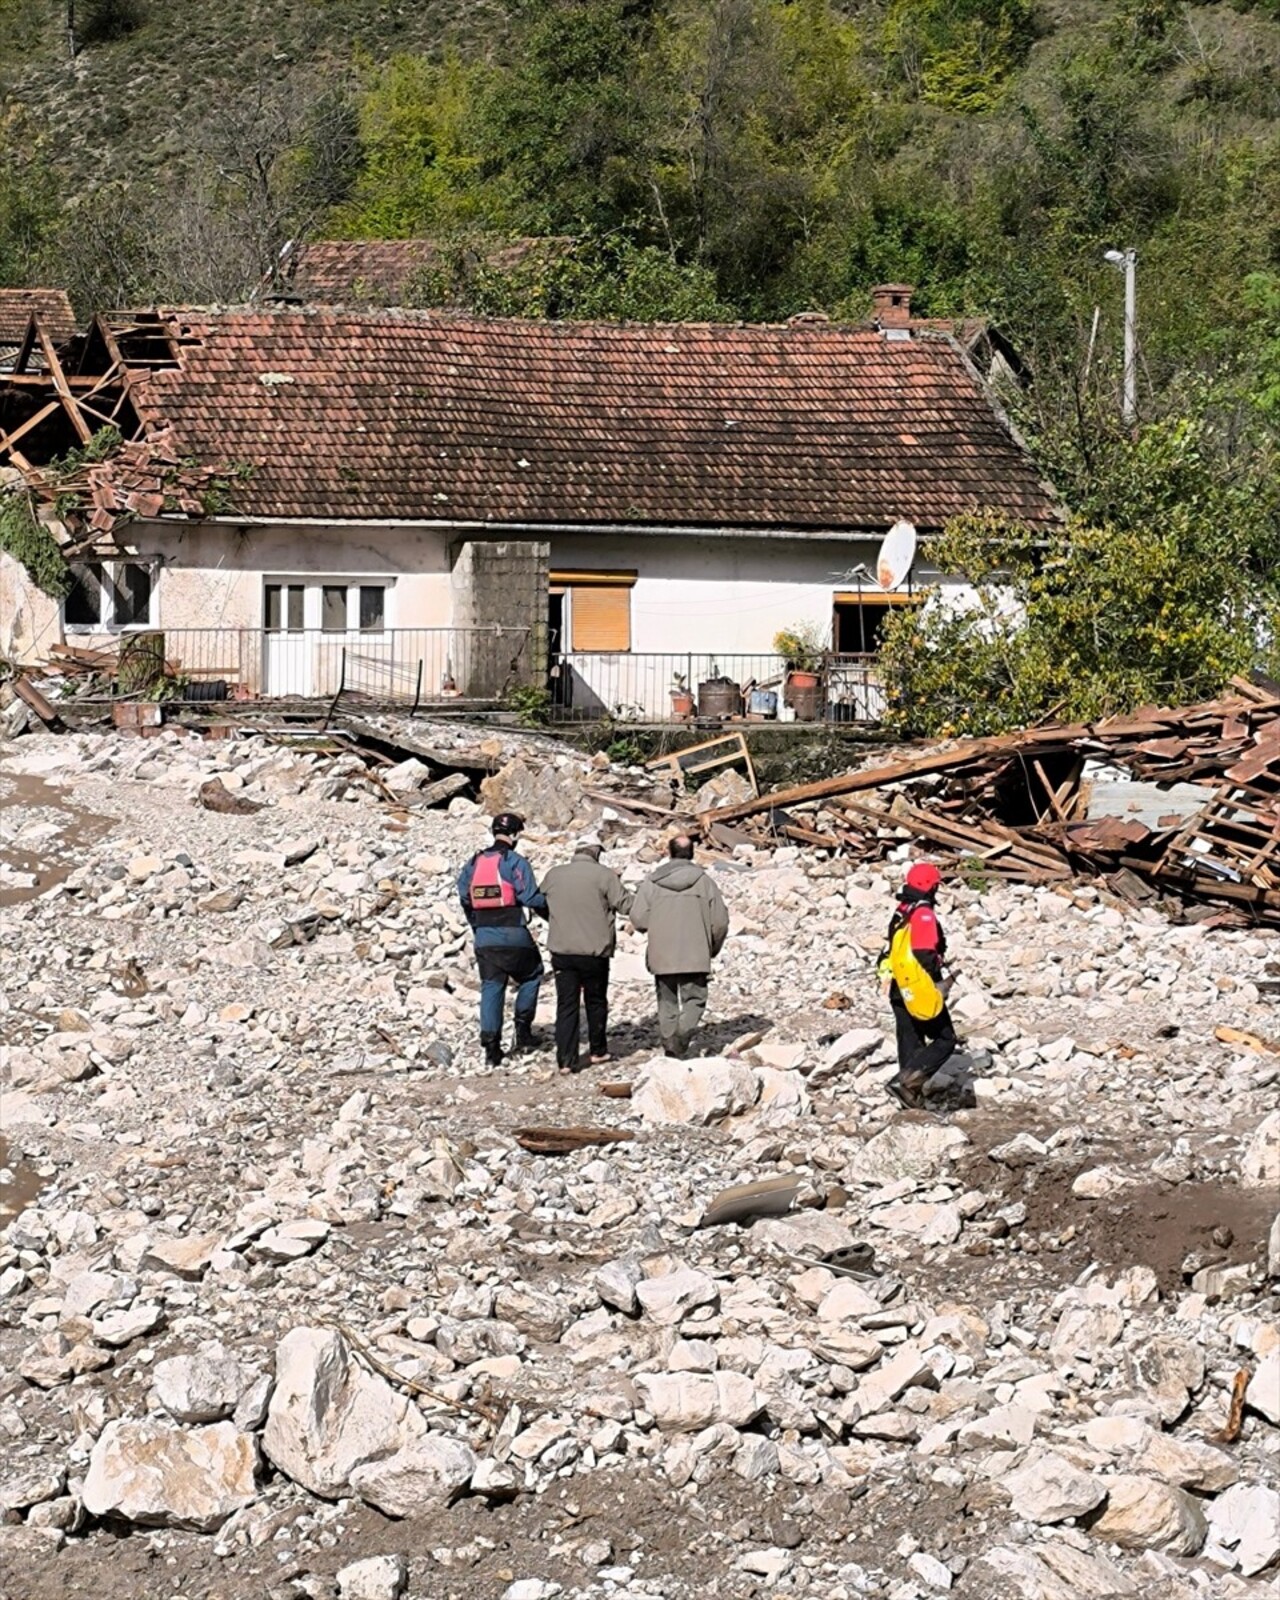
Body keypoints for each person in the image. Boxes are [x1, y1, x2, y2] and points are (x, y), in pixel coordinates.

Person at [457, 812, 547, 1066]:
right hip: (514, 932)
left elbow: (464, 896)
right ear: (516, 834)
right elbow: (530, 898)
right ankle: (523, 1031)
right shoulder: (516, 862)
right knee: (532, 974)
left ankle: (491, 1048)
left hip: (484, 936)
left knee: (492, 986)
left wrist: (476, 924)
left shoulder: (473, 862)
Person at [630, 834, 729, 1059]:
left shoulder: (652, 882)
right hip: (695, 953)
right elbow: (720, 921)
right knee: (694, 999)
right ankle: (682, 1037)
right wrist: (711, 947)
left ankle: (669, 1043)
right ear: (692, 853)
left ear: (669, 852)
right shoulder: (705, 882)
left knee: (666, 1001)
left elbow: (638, 919)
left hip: (662, 954)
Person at [542, 833, 633, 1072]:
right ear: (597, 852)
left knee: (566, 1005)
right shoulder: (604, 875)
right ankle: (598, 1051)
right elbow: (626, 906)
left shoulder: (554, 874)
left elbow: (541, 902)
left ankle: (565, 1060)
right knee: (595, 1001)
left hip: (562, 950)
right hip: (594, 951)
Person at [877, 861, 957, 1110]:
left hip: (897, 984)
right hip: (917, 985)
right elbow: (924, 952)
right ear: (929, 886)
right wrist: (936, 979)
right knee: (945, 1039)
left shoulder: (903, 908)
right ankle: (905, 1083)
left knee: (910, 1039)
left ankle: (910, 1098)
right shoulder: (923, 913)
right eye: (935, 886)